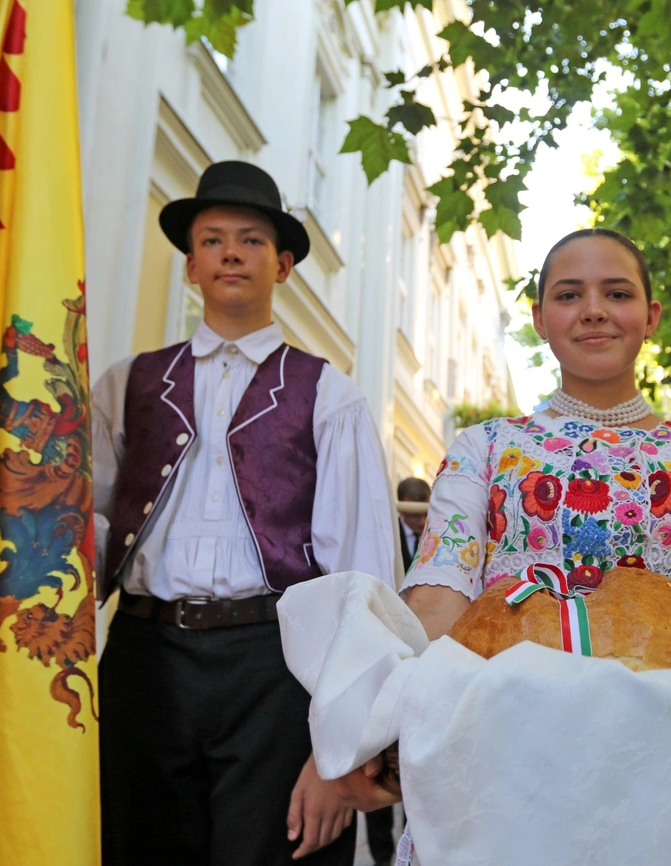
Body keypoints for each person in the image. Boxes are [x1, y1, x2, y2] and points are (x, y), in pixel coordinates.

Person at [330, 228, 671, 851]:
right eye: (570, 294)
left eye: (617, 292)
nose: (594, 309)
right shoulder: (484, 448)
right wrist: (386, 723)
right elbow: (439, 599)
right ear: (540, 319)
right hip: (503, 751)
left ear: (650, 316)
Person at [93, 161, 401, 866]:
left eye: (252, 240)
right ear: (191, 265)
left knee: (269, 850)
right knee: (134, 846)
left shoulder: (330, 395)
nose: (231, 252)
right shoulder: (128, 383)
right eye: (213, 239)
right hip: (144, 660)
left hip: (274, 667)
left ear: (284, 265)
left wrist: (341, 749)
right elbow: (80, 527)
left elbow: (363, 576)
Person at [365, 478, 431, 865]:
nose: (415, 525)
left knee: (409, 767)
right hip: (384, 656)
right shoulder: (386, 540)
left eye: (420, 517)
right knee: (376, 763)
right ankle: (379, 856)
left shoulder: (440, 535)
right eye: (409, 517)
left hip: (421, 659)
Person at [396, 477, 431, 571]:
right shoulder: (390, 533)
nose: (423, 522)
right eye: (415, 516)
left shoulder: (436, 532)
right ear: (401, 510)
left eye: (427, 514)